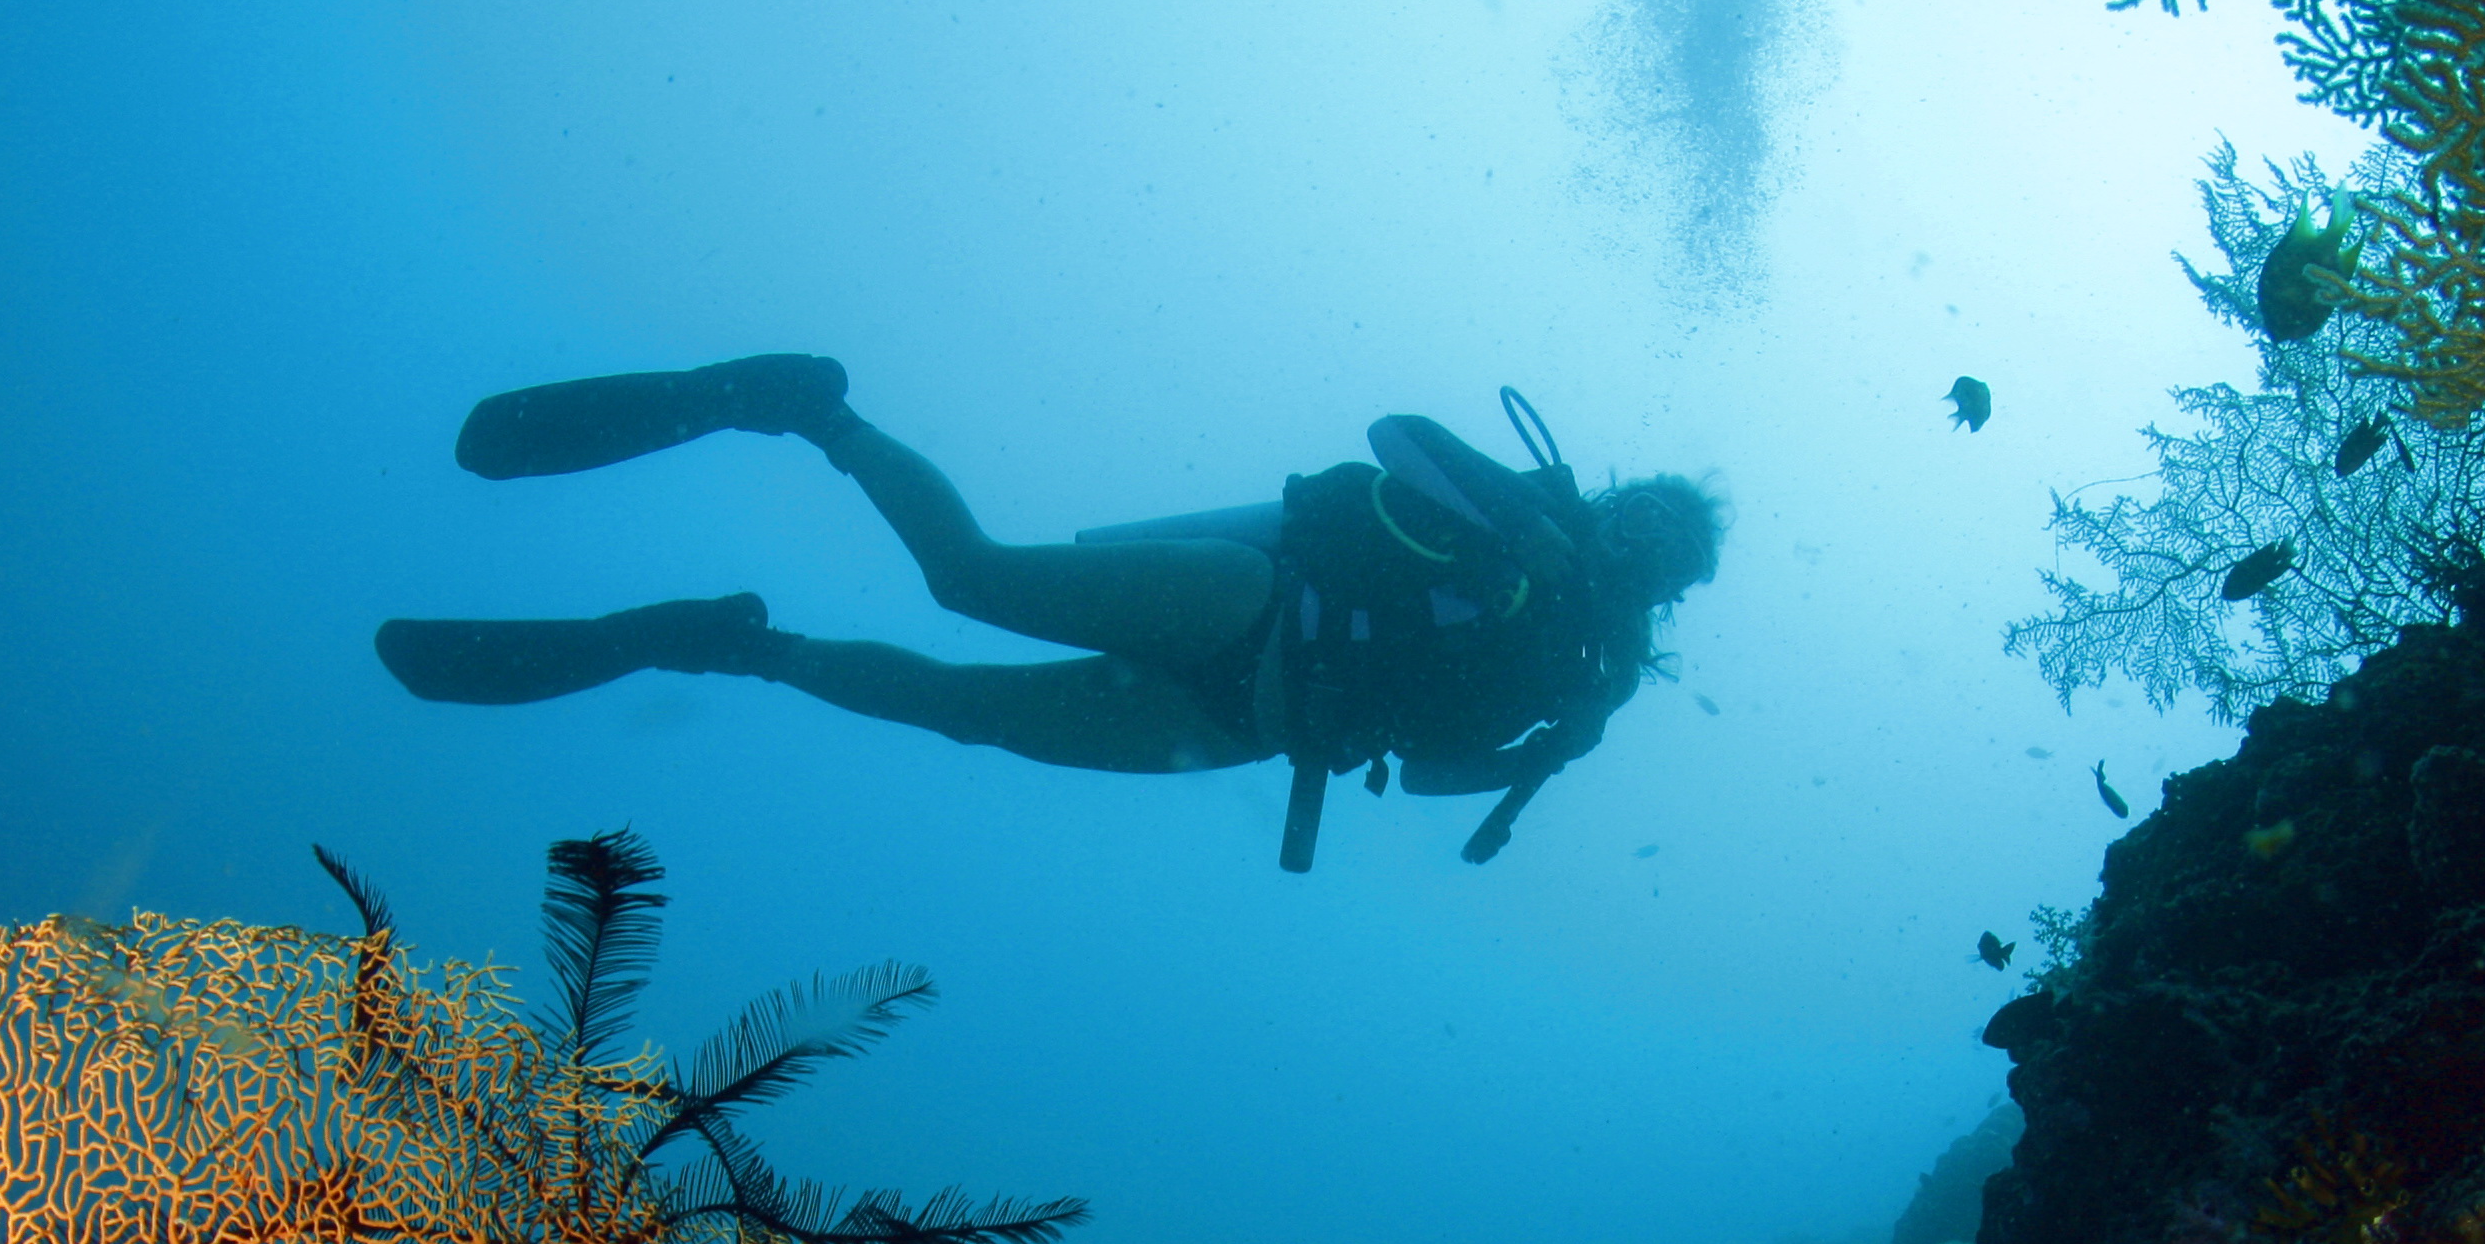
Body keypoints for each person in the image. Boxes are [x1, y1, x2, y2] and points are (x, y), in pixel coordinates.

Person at [374, 355, 1726, 869]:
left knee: (964, 716)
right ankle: (809, 412)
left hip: (1246, 730)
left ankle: (731, 644)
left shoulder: (1587, 676)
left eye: (1665, 550)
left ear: (1669, 586)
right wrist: (1512, 527)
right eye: (1643, 511)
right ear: (1619, 499)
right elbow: (1392, 427)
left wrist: (1553, 751)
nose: (1639, 542)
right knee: (976, 579)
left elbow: (1432, 775)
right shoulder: (1521, 513)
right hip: (1256, 600)